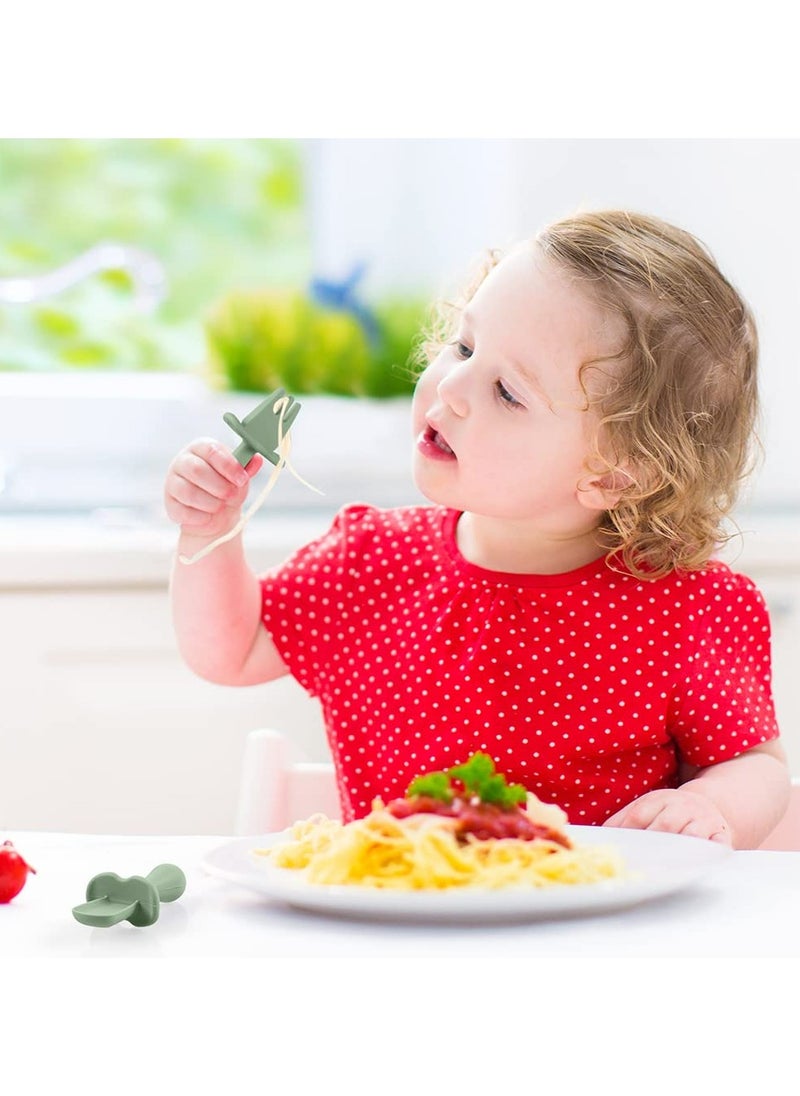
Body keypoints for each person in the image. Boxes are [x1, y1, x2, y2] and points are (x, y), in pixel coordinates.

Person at [164, 209, 790, 849]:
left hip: (589, 937)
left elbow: (757, 769)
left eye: (508, 393)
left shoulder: (683, 608)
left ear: (614, 475)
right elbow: (232, 649)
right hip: (400, 926)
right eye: (464, 346)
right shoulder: (370, 562)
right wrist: (208, 531)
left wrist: (711, 807)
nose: (452, 385)